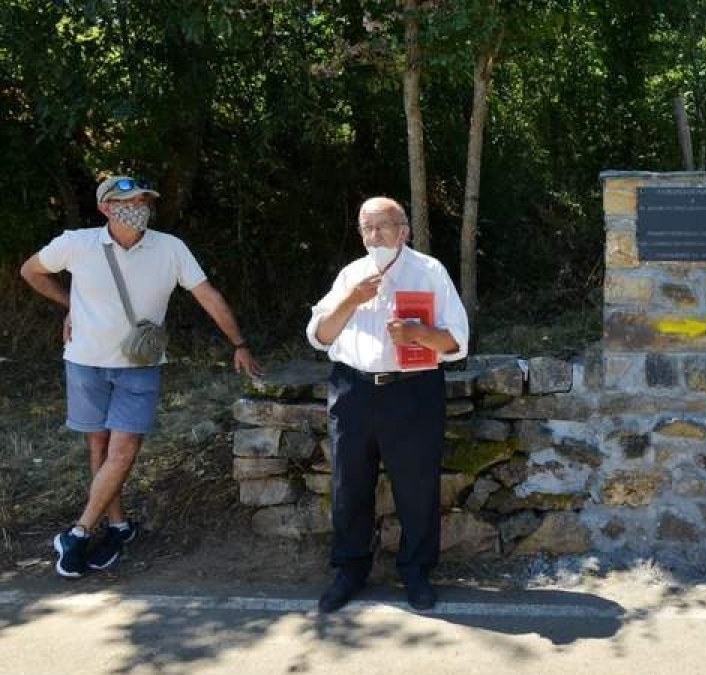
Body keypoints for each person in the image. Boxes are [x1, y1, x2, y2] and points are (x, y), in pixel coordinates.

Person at [20, 174, 262, 578]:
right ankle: (116, 525)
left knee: (124, 449)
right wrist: (70, 306)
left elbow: (207, 295)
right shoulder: (76, 244)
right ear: (105, 208)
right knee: (98, 445)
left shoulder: (170, 248)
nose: (138, 206)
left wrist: (238, 342)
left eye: (144, 199)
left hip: (139, 365)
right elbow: (30, 271)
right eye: (126, 200)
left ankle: (78, 533)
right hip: (85, 361)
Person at [306, 196, 468, 613]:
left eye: (381, 226)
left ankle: (415, 573)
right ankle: (350, 570)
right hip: (353, 390)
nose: (373, 235)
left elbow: (457, 342)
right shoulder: (351, 275)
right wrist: (351, 300)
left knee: (416, 487)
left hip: (412, 390)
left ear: (404, 230)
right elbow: (320, 336)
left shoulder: (430, 272)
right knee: (348, 484)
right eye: (366, 227)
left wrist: (418, 333)